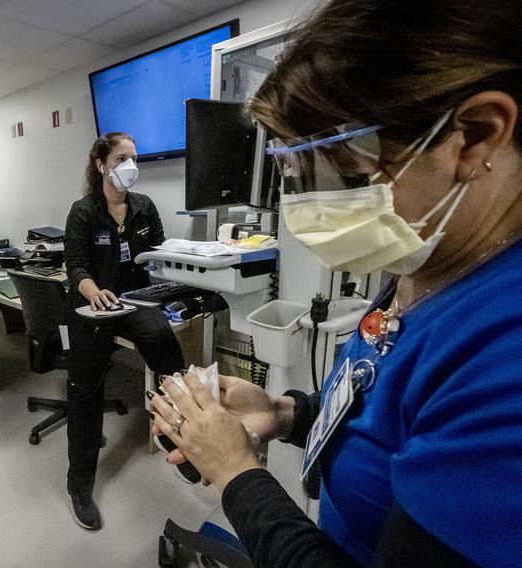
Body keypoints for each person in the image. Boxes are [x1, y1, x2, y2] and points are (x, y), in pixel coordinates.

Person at [149, 1, 522, 566]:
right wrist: (287, 411)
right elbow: (382, 408)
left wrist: (234, 471)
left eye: (341, 166)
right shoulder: (424, 267)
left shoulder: (504, 360)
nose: (314, 203)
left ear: (474, 136)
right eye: (296, 173)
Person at [64, 132, 185, 531]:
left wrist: (183, 263)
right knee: (85, 392)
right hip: (93, 305)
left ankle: (180, 443)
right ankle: (80, 487)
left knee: (169, 354)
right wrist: (93, 291)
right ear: (101, 165)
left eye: (134, 158)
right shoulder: (83, 212)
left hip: (134, 301)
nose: (130, 166)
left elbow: (160, 251)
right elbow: (76, 267)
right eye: (121, 158)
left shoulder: (144, 207)